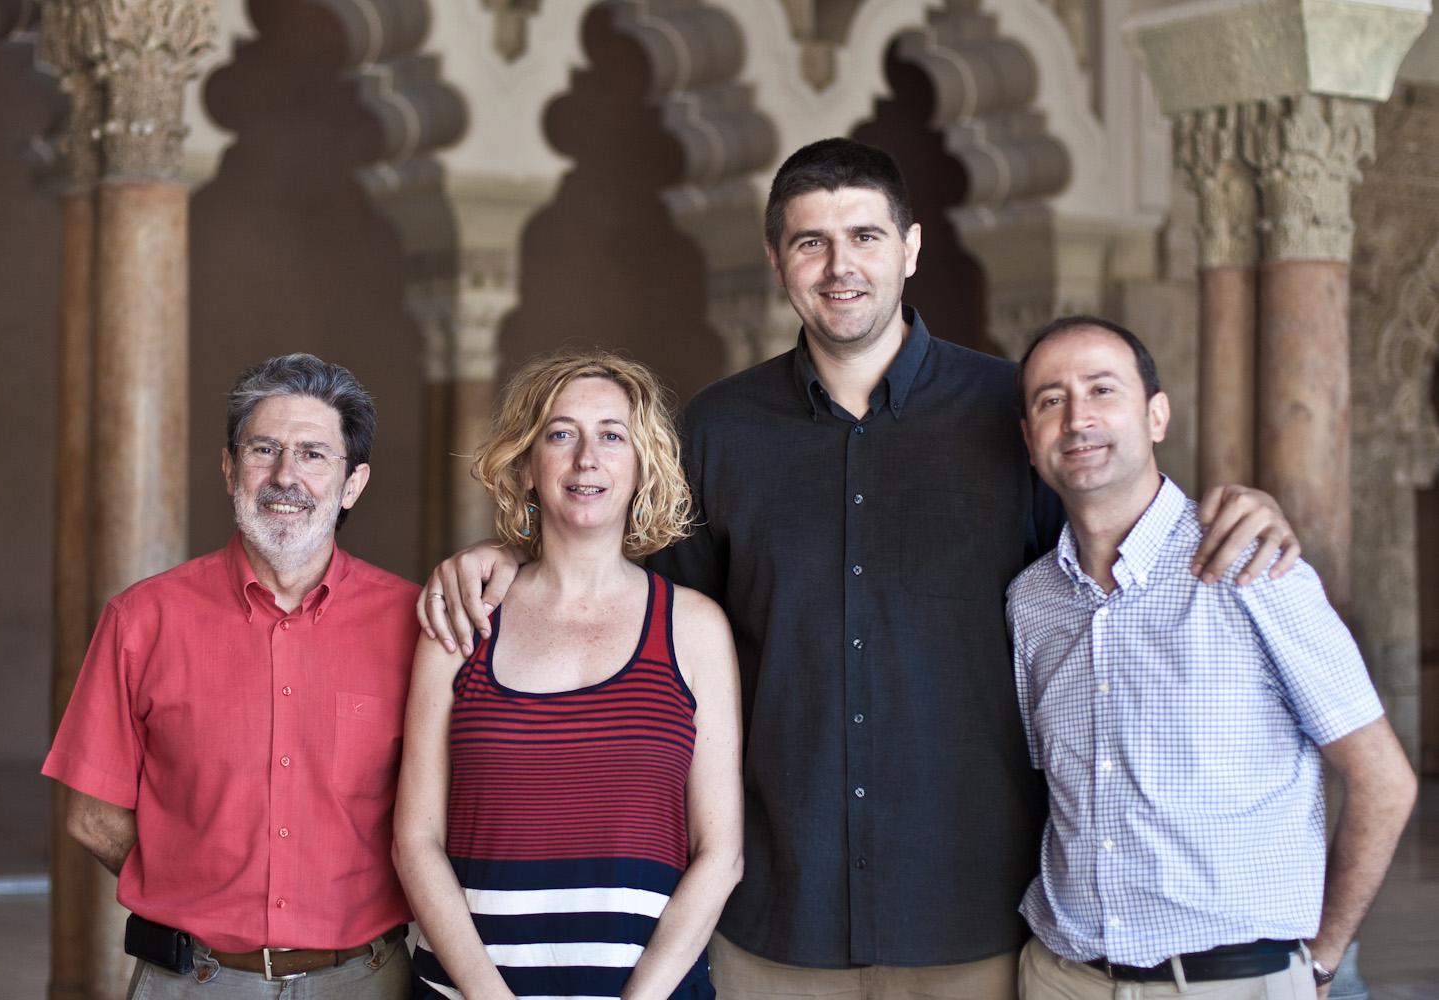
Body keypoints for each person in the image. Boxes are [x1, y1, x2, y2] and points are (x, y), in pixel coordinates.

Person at [417, 139, 1298, 1000]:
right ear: (778, 261)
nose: (842, 266)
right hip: (777, 923)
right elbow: (621, 586)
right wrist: (510, 553)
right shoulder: (720, 432)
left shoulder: (1012, 416)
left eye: (867, 237)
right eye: (811, 241)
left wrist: (1238, 508)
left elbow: (1113, 543)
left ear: (910, 248)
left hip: (974, 917)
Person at [1008, 315, 1417, 999]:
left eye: (1103, 390)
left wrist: (1319, 961)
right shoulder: (1031, 601)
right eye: (1051, 400)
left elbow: (1384, 781)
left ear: (1157, 415)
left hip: (1229, 983)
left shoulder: (1252, 566)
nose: (1078, 418)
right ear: (1029, 441)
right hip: (1062, 976)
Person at [43, 354, 418, 998]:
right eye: (264, 449)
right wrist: (194, 889)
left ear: (352, 484)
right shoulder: (143, 619)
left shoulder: (415, 625)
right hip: (194, 980)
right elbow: (91, 816)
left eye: (313, 455)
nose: (285, 476)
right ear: (228, 467)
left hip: (364, 979)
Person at [393, 349, 743, 1000]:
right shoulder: (465, 618)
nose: (588, 458)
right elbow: (416, 840)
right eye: (561, 434)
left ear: (643, 465)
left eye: (613, 436)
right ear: (526, 466)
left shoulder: (694, 628)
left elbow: (721, 854)